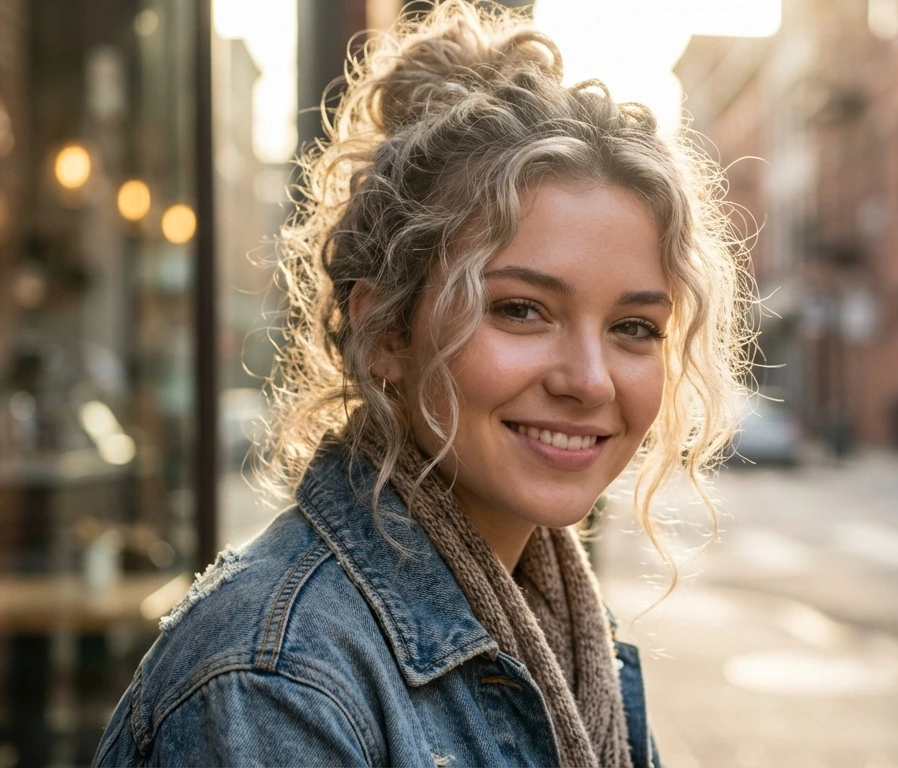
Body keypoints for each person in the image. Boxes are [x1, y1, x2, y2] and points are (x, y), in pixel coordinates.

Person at [94, 2, 752, 765]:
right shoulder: (273, 681)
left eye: (634, 327)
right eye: (521, 310)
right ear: (388, 334)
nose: (590, 380)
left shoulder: (562, 631)